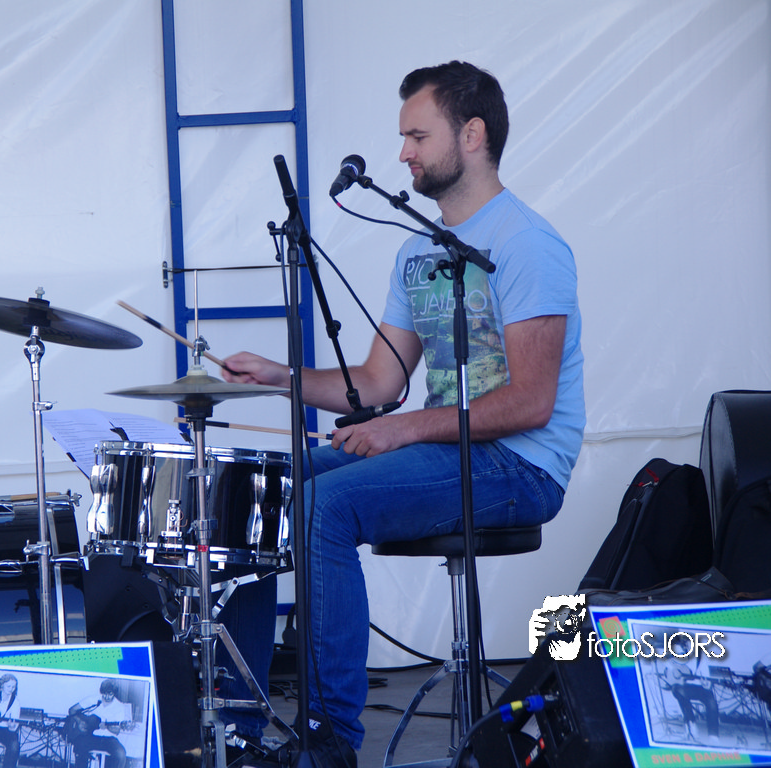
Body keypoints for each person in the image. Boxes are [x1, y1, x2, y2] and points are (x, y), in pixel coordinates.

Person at [218, 61, 585, 765]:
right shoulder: (418, 251)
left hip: (521, 465)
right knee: (262, 491)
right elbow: (377, 382)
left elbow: (531, 402)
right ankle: (239, 728)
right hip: (449, 448)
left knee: (323, 507)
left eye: (417, 136)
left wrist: (403, 427)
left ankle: (329, 743)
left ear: (471, 135)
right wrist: (278, 377)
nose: (402, 154)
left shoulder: (526, 244)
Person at [65, 679, 133, 768]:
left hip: (109, 740)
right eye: (105, 694)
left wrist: (107, 726)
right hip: (91, 737)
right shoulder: (93, 700)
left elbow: (116, 731)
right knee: (79, 745)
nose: (107, 697)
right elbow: (72, 710)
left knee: (120, 754)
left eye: (110, 694)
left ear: (114, 693)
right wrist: (79, 721)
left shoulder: (119, 707)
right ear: (101, 692)